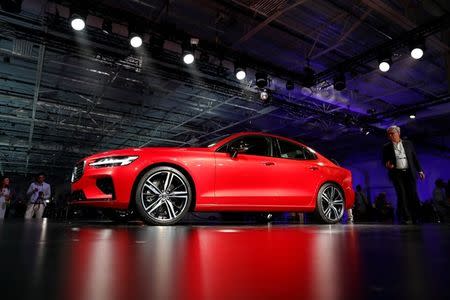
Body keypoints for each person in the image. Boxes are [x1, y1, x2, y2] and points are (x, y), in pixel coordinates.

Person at [382, 125, 425, 224]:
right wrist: (387, 165)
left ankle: (416, 216)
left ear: (398, 133)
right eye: (389, 134)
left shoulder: (408, 144)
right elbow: (384, 160)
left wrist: (420, 171)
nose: (390, 135)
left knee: (413, 194)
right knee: (402, 195)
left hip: (409, 173)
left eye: (392, 133)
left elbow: (414, 158)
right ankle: (406, 217)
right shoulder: (386, 147)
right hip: (397, 175)